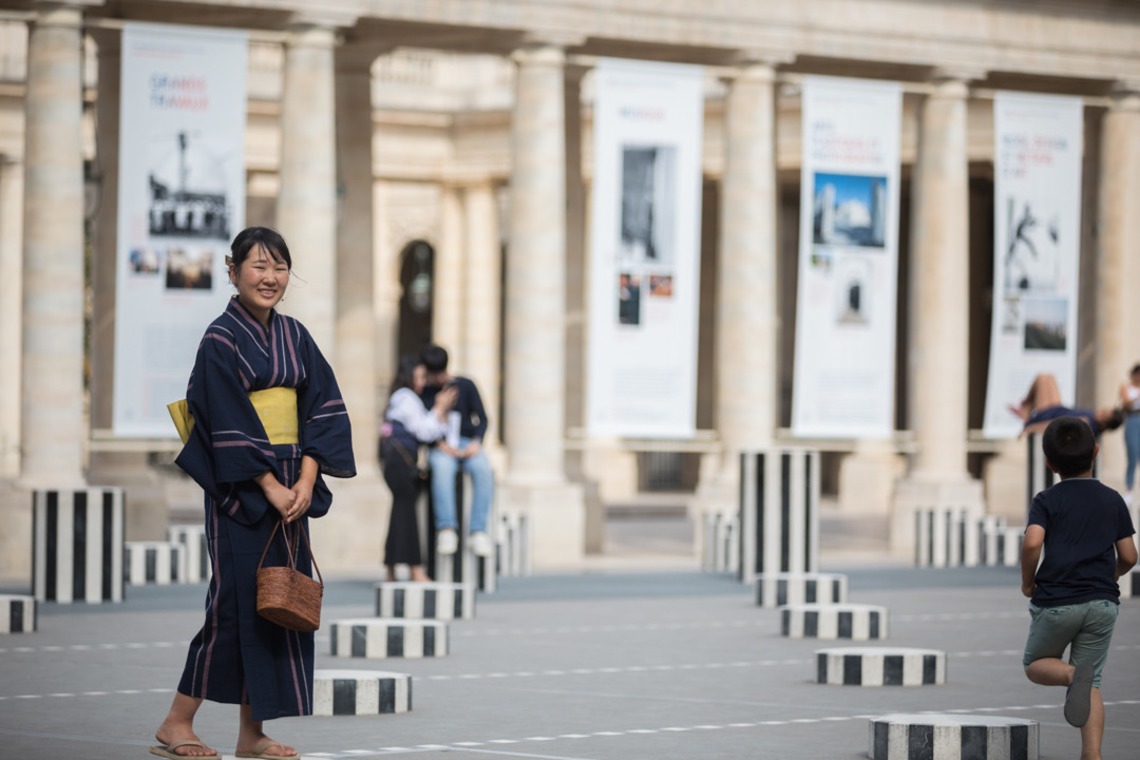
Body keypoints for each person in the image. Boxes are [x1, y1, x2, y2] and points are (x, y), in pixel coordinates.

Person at [151, 227, 356, 760]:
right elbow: (223, 419)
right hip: (243, 490)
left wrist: (306, 481)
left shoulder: (297, 336)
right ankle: (177, 721)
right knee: (232, 606)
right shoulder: (220, 338)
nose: (269, 277)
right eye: (258, 266)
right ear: (233, 271)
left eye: (279, 267)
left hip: (294, 488)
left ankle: (251, 735)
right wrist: (269, 484)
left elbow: (324, 409)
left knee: (275, 602)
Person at [1020, 416, 1136, 759]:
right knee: (1093, 682)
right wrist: (1112, 575)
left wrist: (1028, 580)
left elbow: (1031, 543)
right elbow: (1129, 555)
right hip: (1102, 603)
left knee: (1037, 663)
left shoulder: (1046, 500)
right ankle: (1092, 755)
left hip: (1058, 600)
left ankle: (1072, 673)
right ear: (1096, 451)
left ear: (1048, 462)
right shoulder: (1113, 499)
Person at [380, 356, 456, 582]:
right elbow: (424, 431)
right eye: (420, 377)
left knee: (399, 513)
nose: (423, 382)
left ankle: (391, 569)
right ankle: (415, 569)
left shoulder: (401, 398)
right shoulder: (406, 398)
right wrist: (440, 409)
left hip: (397, 462)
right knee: (407, 515)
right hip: (401, 463)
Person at [419, 343, 495, 557]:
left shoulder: (465, 385)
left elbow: (482, 419)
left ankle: (478, 531)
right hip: (441, 444)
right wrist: (439, 408)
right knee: (442, 469)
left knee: (483, 469)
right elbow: (425, 426)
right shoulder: (426, 392)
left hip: (467, 442)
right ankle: (447, 528)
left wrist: (476, 442)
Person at [1009, 372, 1125, 437]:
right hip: (1057, 408)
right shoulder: (1093, 420)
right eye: (1102, 410)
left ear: (1104, 425)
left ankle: (1026, 407)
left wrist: (1030, 427)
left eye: (1102, 415)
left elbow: (1054, 424)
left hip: (1048, 414)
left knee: (1042, 379)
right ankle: (1026, 406)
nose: (1099, 412)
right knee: (1049, 377)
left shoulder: (1086, 422)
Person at [1119, 363, 1140, 502]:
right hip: (1132, 419)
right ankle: (1129, 488)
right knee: (1132, 456)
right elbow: (1126, 403)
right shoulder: (1126, 387)